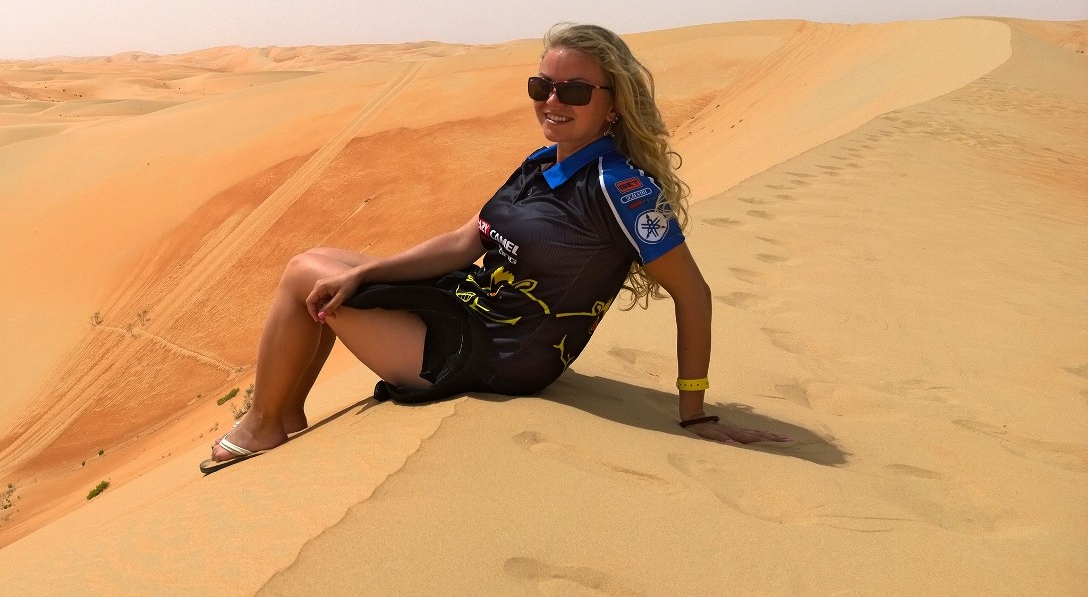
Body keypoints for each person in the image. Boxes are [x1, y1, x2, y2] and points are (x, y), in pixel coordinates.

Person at [200, 23, 790, 473]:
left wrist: (694, 410)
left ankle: (263, 422)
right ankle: (285, 411)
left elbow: (693, 293)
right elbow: (468, 239)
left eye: (574, 90)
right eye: (542, 86)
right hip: (468, 308)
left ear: (614, 103)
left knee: (304, 272)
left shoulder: (621, 188)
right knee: (329, 265)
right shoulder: (540, 163)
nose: (553, 101)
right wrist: (370, 271)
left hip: (495, 356)